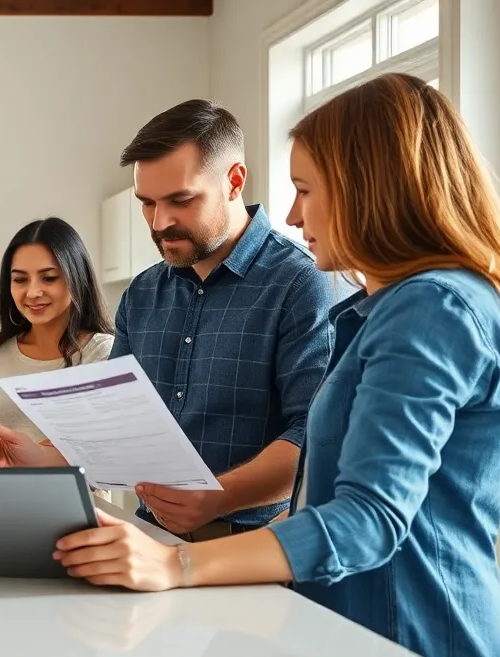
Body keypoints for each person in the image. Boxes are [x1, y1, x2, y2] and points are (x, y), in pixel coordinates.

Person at [0, 73, 500, 657]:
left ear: (371, 190)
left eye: (307, 189)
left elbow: (365, 518)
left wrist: (177, 563)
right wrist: (43, 457)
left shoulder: (431, 309)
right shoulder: (386, 308)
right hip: (359, 640)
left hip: (417, 653)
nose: (290, 212)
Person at [101, 99, 335, 540]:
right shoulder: (143, 293)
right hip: (149, 534)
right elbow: (116, 418)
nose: (159, 221)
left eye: (181, 200)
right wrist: (41, 459)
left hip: (253, 547)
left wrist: (218, 496)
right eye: (146, 203)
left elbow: (315, 433)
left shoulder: (300, 283)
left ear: (234, 181)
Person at [0, 217, 114, 443]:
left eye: (49, 278)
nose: (33, 292)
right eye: (20, 279)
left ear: (77, 277)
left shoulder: (102, 353)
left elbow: (101, 446)